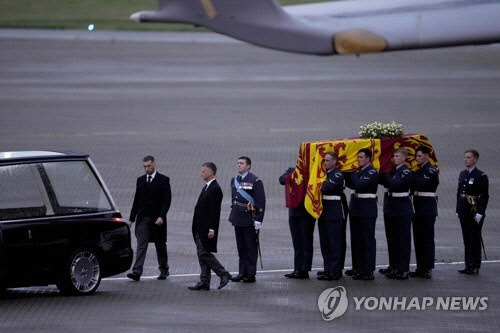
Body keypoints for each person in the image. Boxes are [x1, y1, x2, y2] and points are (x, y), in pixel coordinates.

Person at [127, 155, 171, 281]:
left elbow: (166, 201)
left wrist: (162, 216)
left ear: (154, 164)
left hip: (157, 219)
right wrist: (131, 219)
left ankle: (164, 269)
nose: (146, 169)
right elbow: (136, 200)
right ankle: (137, 271)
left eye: (149, 166)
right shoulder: (140, 180)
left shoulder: (163, 180)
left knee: (160, 245)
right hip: (143, 218)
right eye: (144, 166)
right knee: (141, 244)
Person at [188, 162, 231, 291]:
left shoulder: (215, 189)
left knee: (204, 253)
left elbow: (214, 211)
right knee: (201, 254)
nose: (201, 174)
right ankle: (204, 281)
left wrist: (212, 229)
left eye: (203, 171)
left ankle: (224, 274)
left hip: (206, 228)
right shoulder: (207, 187)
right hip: (199, 227)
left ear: (211, 172)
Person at [229, 156, 266, 283]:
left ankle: (250, 273)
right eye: (238, 163)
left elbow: (261, 201)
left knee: (250, 247)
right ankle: (242, 272)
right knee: (241, 247)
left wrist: (259, 220)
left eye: (242, 163)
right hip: (238, 217)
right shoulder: (234, 180)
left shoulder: (255, 181)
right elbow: (233, 198)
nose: (239, 165)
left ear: (248, 166)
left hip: (249, 217)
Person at [345, 148, 379, 280]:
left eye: (361, 157)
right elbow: (350, 184)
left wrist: (353, 172)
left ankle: (368, 269)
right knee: (356, 240)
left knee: (367, 240)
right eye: (357, 157)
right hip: (356, 207)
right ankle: (358, 267)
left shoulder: (371, 172)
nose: (358, 159)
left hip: (367, 209)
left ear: (368, 159)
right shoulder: (359, 172)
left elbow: (359, 185)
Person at [379, 148, 413, 280]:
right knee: (392, 239)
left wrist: (386, 171)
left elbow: (393, 184)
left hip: (402, 208)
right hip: (391, 207)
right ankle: (394, 266)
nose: (395, 158)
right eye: (393, 156)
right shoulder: (393, 170)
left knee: (403, 240)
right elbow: (382, 181)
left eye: (397, 156)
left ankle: (403, 269)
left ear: (404, 158)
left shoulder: (405, 172)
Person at [457, 149, 489, 275]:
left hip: (474, 210)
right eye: (465, 157)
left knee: (474, 238)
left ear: (475, 159)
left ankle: (475, 265)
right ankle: (468, 264)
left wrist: (480, 212)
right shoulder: (462, 174)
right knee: (466, 238)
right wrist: (457, 209)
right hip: (464, 210)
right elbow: (459, 193)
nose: (466, 159)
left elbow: (485, 196)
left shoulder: (481, 176)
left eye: (469, 157)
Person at [279, 167, 316, 279]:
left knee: (306, 241)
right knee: (297, 242)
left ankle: (305, 269)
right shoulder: (293, 170)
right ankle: (297, 268)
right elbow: (281, 180)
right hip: (294, 212)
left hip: (306, 212)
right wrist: (293, 174)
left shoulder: (312, 172)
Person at [410, 146, 439, 279]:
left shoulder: (431, 170)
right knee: (418, 238)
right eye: (417, 156)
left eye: (420, 156)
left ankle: (427, 268)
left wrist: (412, 175)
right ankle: (420, 266)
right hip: (417, 207)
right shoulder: (420, 169)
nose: (417, 158)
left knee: (427, 239)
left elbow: (419, 183)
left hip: (427, 207)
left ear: (427, 156)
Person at [316, 152, 345, 281]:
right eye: (324, 160)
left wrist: (316, 183)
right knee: (325, 243)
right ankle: (327, 269)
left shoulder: (337, 175)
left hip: (334, 213)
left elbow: (326, 187)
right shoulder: (324, 174)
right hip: (323, 213)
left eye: (328, 160)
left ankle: (335, 271)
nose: (325, 162)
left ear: (334, 162)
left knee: (334, 243)